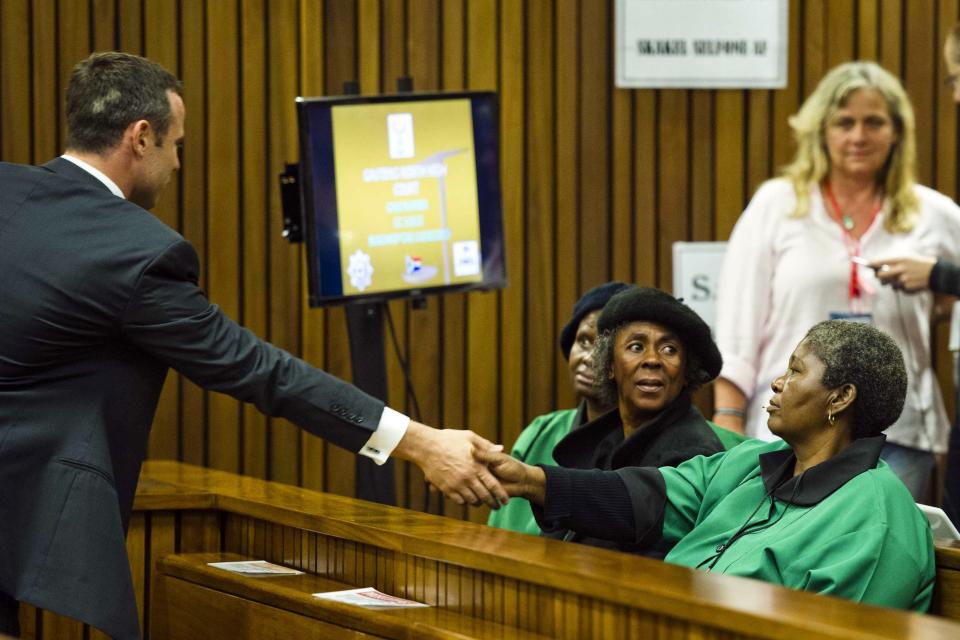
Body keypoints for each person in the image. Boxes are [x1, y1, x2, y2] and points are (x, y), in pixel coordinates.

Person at [0, 52, 506, 639]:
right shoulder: (135, 252)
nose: (179, 163)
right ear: (140, 138)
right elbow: (257, 370)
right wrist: (420, 443)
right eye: (176, 145)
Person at [481, 321, 935, 611]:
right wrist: (531, 481)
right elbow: (644, 497)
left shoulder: (875, 521)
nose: (777, 382)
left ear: (840, 398)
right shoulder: (749, 466)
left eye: (796, 371)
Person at [712, 60, 960, 503]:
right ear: (820, 129)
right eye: (844, 122)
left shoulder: (932, 213)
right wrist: (727, 418)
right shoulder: (778, 204)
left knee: (879, 562)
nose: (859, 136)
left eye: (874, 122)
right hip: (788, 432)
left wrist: (934, 295)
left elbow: (951, 290)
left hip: (899, 436)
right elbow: (737, 325)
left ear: (897, 131)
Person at [540, 286, 745, 555]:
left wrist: (534, 482)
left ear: (686, 372)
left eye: (669, 350)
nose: (652, 360)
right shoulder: (603, 441)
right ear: (610, 366)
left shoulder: (694, 455)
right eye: (636, 347)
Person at [866, 23, 960, 527]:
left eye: (958, 75)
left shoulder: (933, 210)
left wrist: (941, 275)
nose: (956, 94)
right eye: (951, 79)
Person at [487, 281, 627, 535]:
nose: (588, 358)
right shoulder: (542, 430)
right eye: (584, 341)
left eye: (605, 349)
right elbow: (498, 530)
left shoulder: (657, 443)